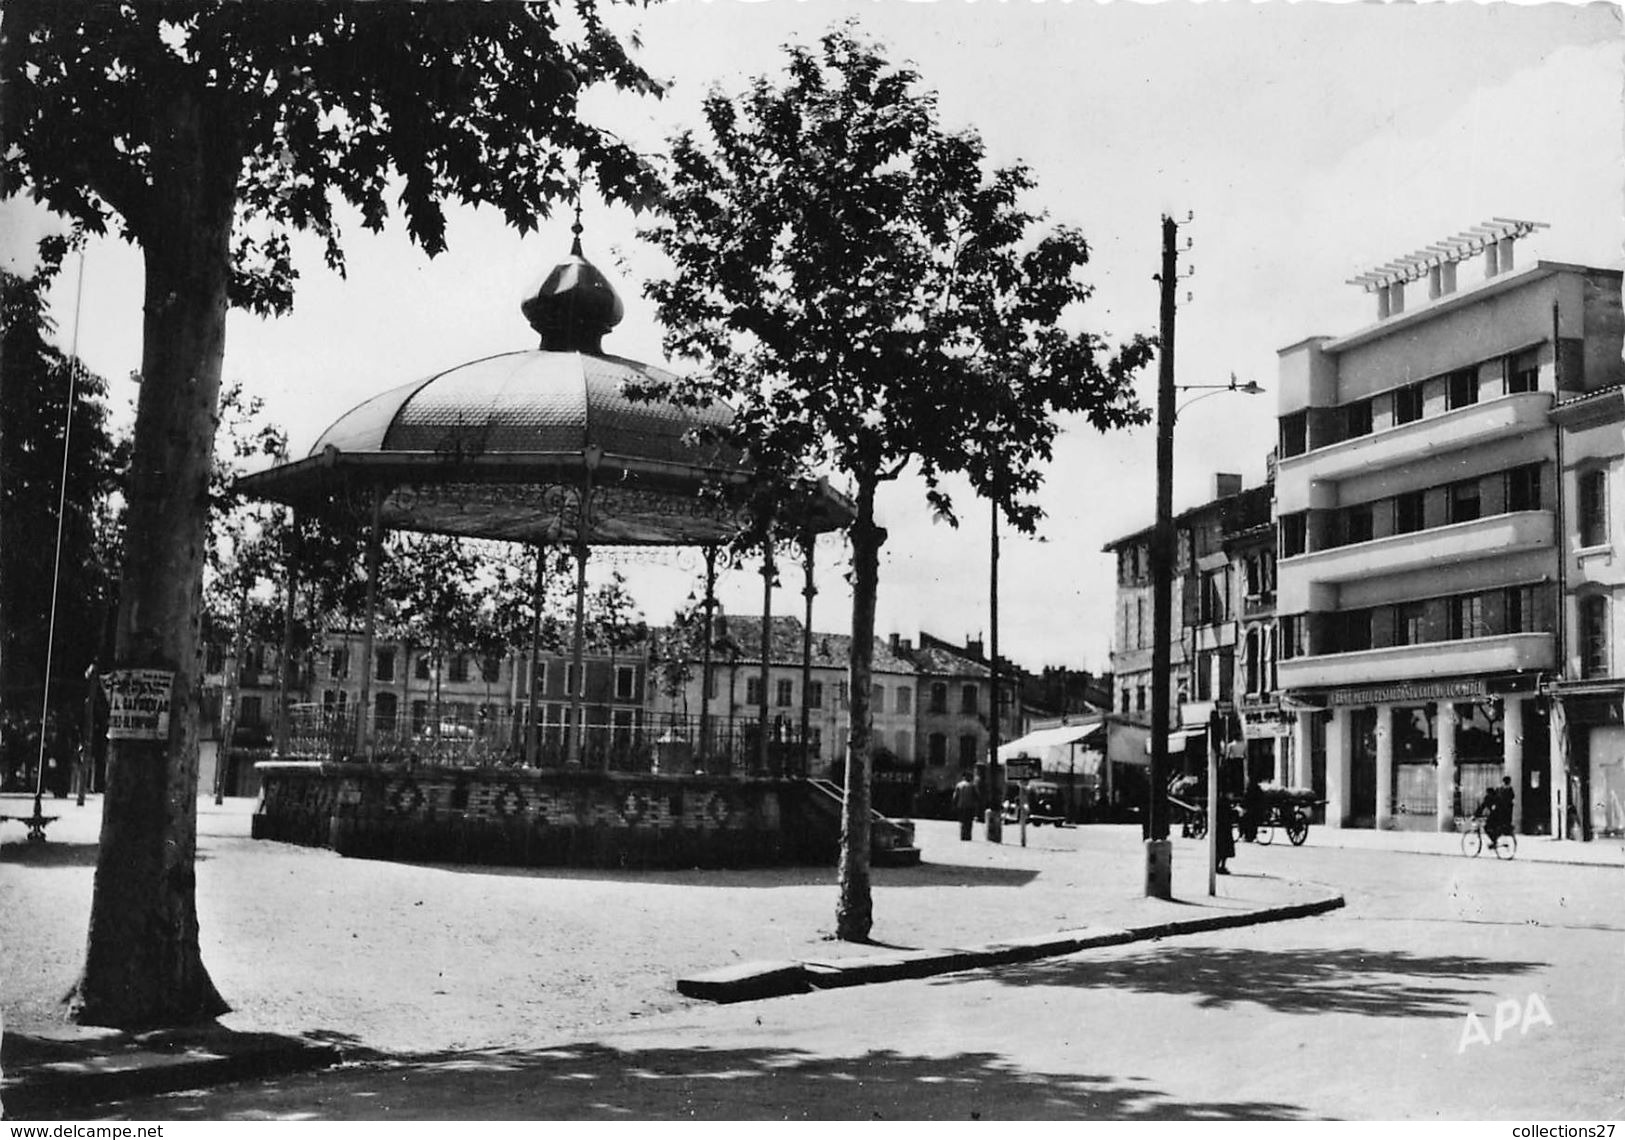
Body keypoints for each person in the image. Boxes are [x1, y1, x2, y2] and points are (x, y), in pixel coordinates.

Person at [1481, 776, 1515, 847]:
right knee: (1494, 827)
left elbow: (1495, 799)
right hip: (1502, 815)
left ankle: (1494, 841)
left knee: (1488, 827)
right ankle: (1495, 840)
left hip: (1499, 814)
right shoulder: (1506, 790)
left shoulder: (1500, 790)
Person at [953, 774, 979, 841]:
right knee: (969, 822)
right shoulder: (972, 785)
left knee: (962, 821)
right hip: (970, 806)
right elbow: (976, 796)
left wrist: (955, 804)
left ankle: (962, 836)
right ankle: (968, 836)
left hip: (961, 806)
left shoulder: (959, 785)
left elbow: (955, 796)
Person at [1216, 793, 1236, 874]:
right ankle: (1220, 866)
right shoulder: (1224, 803)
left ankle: (1219, 866)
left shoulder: (1222, 802)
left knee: (1221, 849)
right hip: (1224, 828)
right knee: (1223, 849)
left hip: (1223, 828)